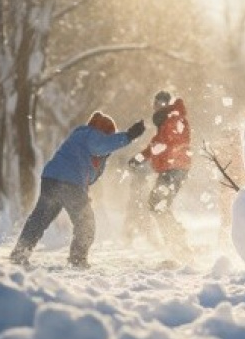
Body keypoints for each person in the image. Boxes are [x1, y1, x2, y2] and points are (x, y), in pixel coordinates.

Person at [10, 112, 145, 268]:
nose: (109, 139)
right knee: (86, 224)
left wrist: (83, 191)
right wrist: (128, 136)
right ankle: (77, 259)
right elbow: (101, 146)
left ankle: (20, 253)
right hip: (69, 184)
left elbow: (89, 174)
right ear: (103, 131)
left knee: (39, 219)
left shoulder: (80, 137)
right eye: (109, 135)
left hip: (51, 179)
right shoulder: (91, 134)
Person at [128, 90, 193, 262]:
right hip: (170, 168)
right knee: (158, 205)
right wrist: (140, 157)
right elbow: (158, 144)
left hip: (176, 167)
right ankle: (178, 247)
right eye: (155, 103)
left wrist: (147, 154)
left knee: (158, 205)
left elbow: (165, 142)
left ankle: (180, 250)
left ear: (167, 104)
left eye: (161, 103)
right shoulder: (166, 120)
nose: (157, 107)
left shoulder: (174, 118)